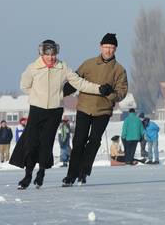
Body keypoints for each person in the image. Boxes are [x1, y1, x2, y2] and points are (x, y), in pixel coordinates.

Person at [10, 40, 105, 189]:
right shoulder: (33, 68)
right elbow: (24, 86)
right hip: (37, 110)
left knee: (46, 143)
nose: (51, 57)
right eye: (48, 54)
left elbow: (79, 83)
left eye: (54, 54)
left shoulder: (62, 67)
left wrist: (99, 89)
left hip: (54, 112)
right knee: (31, 143)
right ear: (42, 53)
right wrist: (37, 96)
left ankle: (41, 172)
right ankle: (28, 175)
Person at [62, 33, 127, 187]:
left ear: (115, 49)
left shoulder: (119, 70)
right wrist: (63, 91)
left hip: (103, 110)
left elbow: (121, 93)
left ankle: (84, 171)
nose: (108, 50)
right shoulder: (89, 64)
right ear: (100, 47)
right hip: (84, 107)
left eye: (111, 47)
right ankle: (71, 174)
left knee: (94, 141)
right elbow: (75, 80)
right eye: (106, 47)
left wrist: (109, 93)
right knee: (78, 141)